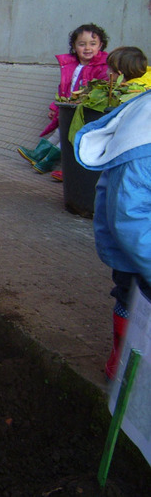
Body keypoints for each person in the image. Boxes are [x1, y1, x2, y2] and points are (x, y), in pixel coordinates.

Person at [74, 88, 151, 380]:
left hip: (138, 244)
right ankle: (123, 368)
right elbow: (131, 218)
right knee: (132, 298)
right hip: (136, 254)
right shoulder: (144, 142)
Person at [17, 23, 109, 179]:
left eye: (92, 44)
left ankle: (48, 162)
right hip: (69, 106)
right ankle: (38, 154)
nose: (87, 48)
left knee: (69, 135)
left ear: (100, 45)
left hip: (85, 108)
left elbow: (101, 89)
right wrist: (55, 106)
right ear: (74, 46)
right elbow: (63, 87)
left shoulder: (102, 67)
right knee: (60, 131)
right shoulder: (73, 65)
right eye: (82, 44)